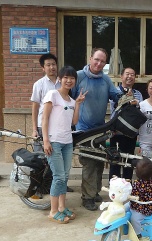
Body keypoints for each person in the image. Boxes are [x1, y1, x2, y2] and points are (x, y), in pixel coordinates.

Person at [71, 48, 122, 211]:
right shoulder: (79, 76)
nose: (99, 64)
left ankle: (95, 191)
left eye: (102, 61)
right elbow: (67, 96)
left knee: (100, 162)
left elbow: (115, 95)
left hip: (100, 128)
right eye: (96, 60)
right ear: (90, 58)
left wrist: (125, 97)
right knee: (89, 163)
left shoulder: (105, 79)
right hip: (83, 129)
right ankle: (87, 197)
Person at [42, 66, 87, 224]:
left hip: (68, 142)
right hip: (54, 141)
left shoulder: (72, 101)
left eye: (72, 78)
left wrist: (79, 104)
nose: (69, 80)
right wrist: (45, 140)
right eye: (66, 77)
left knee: (65, 176)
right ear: (60, 78)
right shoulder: (52, 94)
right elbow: (45, 119)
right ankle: (53, 211)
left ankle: (62, 208)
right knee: (59, 176)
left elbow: (74, 122)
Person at [30, 53, 74, 193]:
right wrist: (34, 129)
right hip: (43, 125)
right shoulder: (39, 84)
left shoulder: (63, 82)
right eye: (48, 65)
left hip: (60, 128)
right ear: (43, 68)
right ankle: (38, 188)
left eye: (53, 64)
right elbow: (35, 107)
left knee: (59, 163)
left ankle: (59, 185)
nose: (51, 67)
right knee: (42, 159)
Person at [108, 67, 143, 181]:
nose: (130, 76)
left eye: (132, 74)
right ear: (121, 76)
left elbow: (140, 111)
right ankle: (114, 186)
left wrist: (136, 103)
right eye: (127, 74)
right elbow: (115, 106)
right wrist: (126, 99)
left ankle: (127, 185)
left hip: (130, 133)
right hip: (116, 132)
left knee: (129, 159)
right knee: (115, 160)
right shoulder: (114, 91)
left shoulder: (138, 94)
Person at [125, 157, 152, 240]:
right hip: (135, 203)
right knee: (123, 208)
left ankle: (138, 233)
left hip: (142, 208)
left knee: (134, 219)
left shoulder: (140, 184)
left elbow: (132, 193)